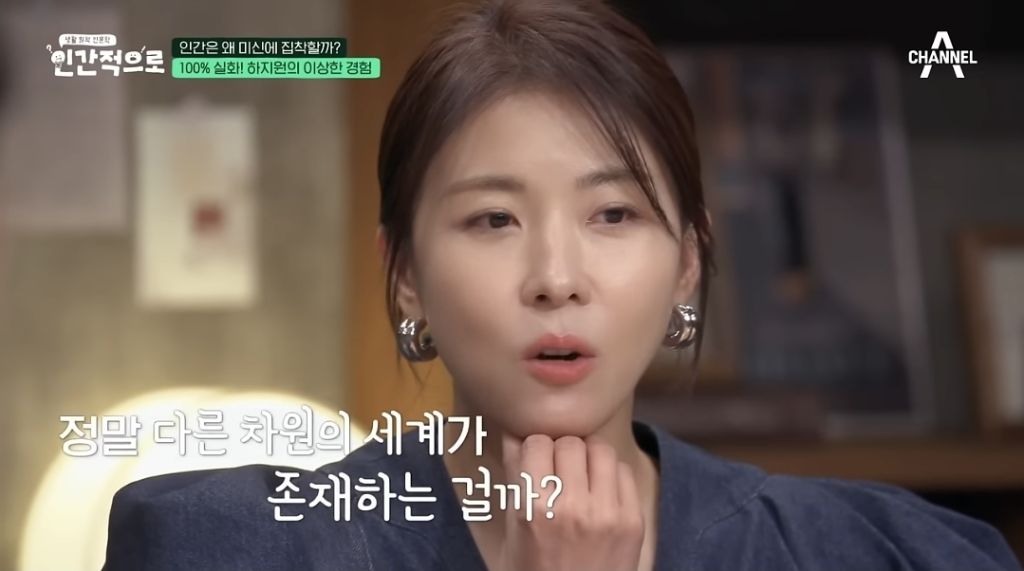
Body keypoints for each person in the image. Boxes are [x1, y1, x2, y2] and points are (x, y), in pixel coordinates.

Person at [103, 1, 1023, 569]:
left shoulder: (882, 554)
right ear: (406, 273)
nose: (555, 279)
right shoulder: (237, 547)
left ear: (689, 260)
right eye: (493, 219)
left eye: (613, 214)